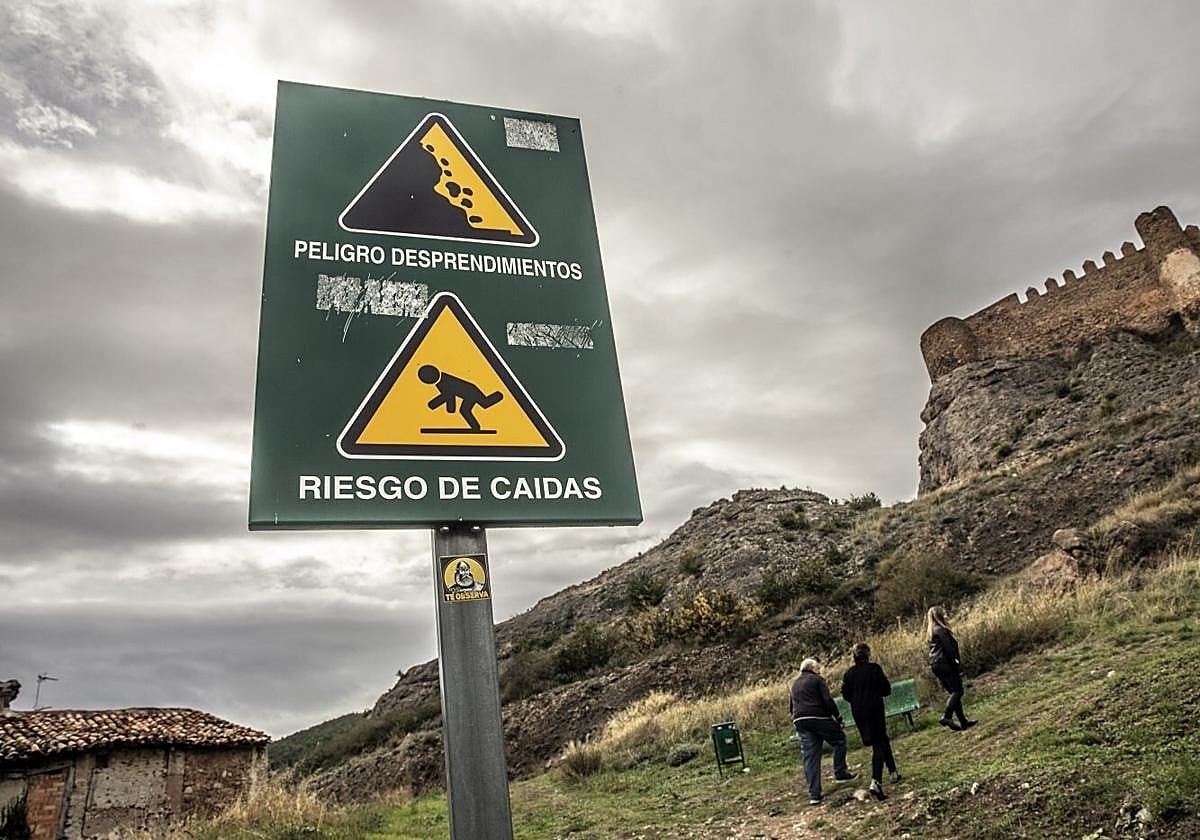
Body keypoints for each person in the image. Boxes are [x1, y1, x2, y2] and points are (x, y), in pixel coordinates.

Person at [790, 658, 857, 805]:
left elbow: (791, 706)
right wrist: (837, 718)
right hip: (817, 716)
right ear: (813, 669)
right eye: (818, 668)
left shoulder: (794, 683)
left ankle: (814, 794)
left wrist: (797, 719)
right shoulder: (817, 680)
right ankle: (840, 772)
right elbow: (827, 700)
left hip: (800, 720)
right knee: (839, 739)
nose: (820, 670)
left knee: (810, 756)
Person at [841, 643, 901, 801]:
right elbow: (886, 690)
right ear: (867, 655)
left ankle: (893, 771)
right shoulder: (874, 669)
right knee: (879, 743)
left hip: (858, 712)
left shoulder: (849, 674)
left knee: (881, 739)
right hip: (874, 708)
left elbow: (846, 695)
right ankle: (876, 782)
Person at [927, 605, 977, 731]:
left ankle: (963, 721)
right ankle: (947, 716)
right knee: (958, 691)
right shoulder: (942, 630)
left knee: (953, 692)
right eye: (944, 613)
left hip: (936, 665)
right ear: (939, 616)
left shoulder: (932, 631)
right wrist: (956, 664)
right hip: (945, 664)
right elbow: (949, 649)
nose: (946, 615)